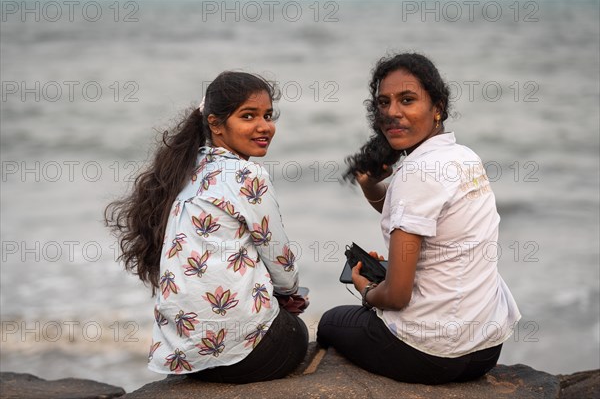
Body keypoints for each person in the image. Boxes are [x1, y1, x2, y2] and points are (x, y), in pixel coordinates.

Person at [317, 53, 521, 384]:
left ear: (437, 107)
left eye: (407, 100)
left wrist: (368, 290)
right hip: (484, 349)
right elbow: (416, 218)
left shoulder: (416, 173)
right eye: (384, 102)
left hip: (428, 354)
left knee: (330, 322)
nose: (392, 112)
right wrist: (371, 186)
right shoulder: (463, 157)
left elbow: (397, 296)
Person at [105, 71, 308, 383]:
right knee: (296, 331)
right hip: (243, 356)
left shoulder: (185, 169)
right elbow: (278, 258)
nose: (264, 126)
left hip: (187, 357)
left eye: (268, 115)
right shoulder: (248, 175)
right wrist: (291, 293)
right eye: (248, 116)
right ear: (216, 124)